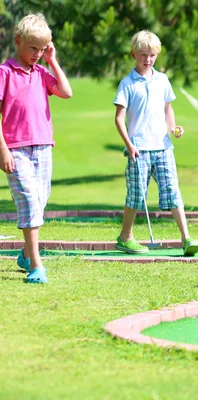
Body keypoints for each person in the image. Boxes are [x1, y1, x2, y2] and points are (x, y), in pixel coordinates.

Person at [113, 30, 198, 256]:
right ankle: (125, 237)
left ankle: (186, 238)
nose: (148, 59)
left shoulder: (162, 80)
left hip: (163, 147)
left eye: (152, 55)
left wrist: (173, 128)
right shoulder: (127, 83)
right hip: (138, 149)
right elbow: (119, 119)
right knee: (136, 195)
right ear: (134, 54)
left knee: (172, 189)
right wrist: (129, 145)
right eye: (143, 54)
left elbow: (167, 109)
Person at [0, 14, 73, 284]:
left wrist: (52, 60)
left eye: (42, 49)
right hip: (16, 149)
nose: (38, 54)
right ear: (18, 41)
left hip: (43, 147)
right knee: (30, 202)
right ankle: (36, 265)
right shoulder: (4, 73)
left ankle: (25, 253)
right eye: (33, 48)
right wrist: (3, 150)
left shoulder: (42, 72)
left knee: (39, 204)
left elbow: (67, 92)